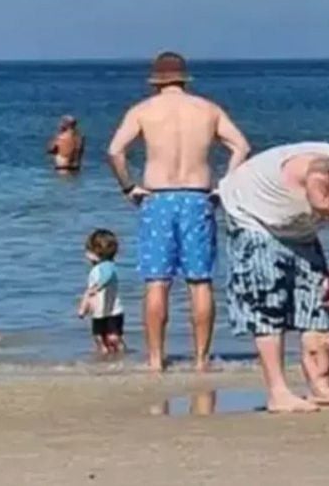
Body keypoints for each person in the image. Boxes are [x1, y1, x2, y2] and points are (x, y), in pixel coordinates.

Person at [217, 140, 329, 413]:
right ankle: (278, 393)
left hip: (297, 228)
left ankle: (320, 386)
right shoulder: (319, 166)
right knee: (267, 301)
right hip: (252, 215)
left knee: (319, 300)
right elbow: (323, 203)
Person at [106, 52, 251, 372]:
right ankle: (201, 360)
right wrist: (224, 185)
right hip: (197, 197)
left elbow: (115, 151)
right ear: (184, 79)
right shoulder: (207, 109)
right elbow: (241, 146)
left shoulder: (143, 111)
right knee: (200, 283)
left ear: (155, 81)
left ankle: (156, 359)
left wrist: (128, 186)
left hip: (157, 198)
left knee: (157, 282)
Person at [76, 229, 126, 355]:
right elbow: (89, 294)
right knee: (101, 338)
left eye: (88, 251)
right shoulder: (99, 268)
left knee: (112, 337)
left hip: (112, 311)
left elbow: (107, 276)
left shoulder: (106, 266)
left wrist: (98, 287)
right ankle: (108, 357)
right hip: (99, 311)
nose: (86, 254)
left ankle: (116, 354)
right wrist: (85, 307)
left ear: (95, 253)